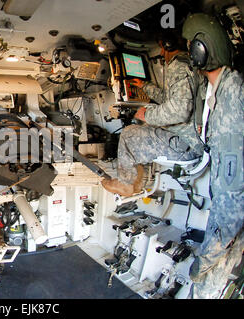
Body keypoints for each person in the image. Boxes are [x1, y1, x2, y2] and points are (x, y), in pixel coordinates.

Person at [182, 13, 243, 299]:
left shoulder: (232, 98)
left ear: (200, 51)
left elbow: (232, 199)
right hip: (227, 222)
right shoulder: (219, 91)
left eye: (190, 46)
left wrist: (202, 262)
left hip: (227, 227)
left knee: (205, 289)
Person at [101, 32, 203, 197]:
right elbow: (170, 99)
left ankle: (126, 184)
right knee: (142, 129)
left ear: (168, 46)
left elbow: (180, 110)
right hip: (191, 140)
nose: (162, 53)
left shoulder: (179, 66)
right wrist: (144, 86)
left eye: (162, 48)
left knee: (128, 134)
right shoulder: (189, 65)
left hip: (185, 145)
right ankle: (135, 183)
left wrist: (147, 114)